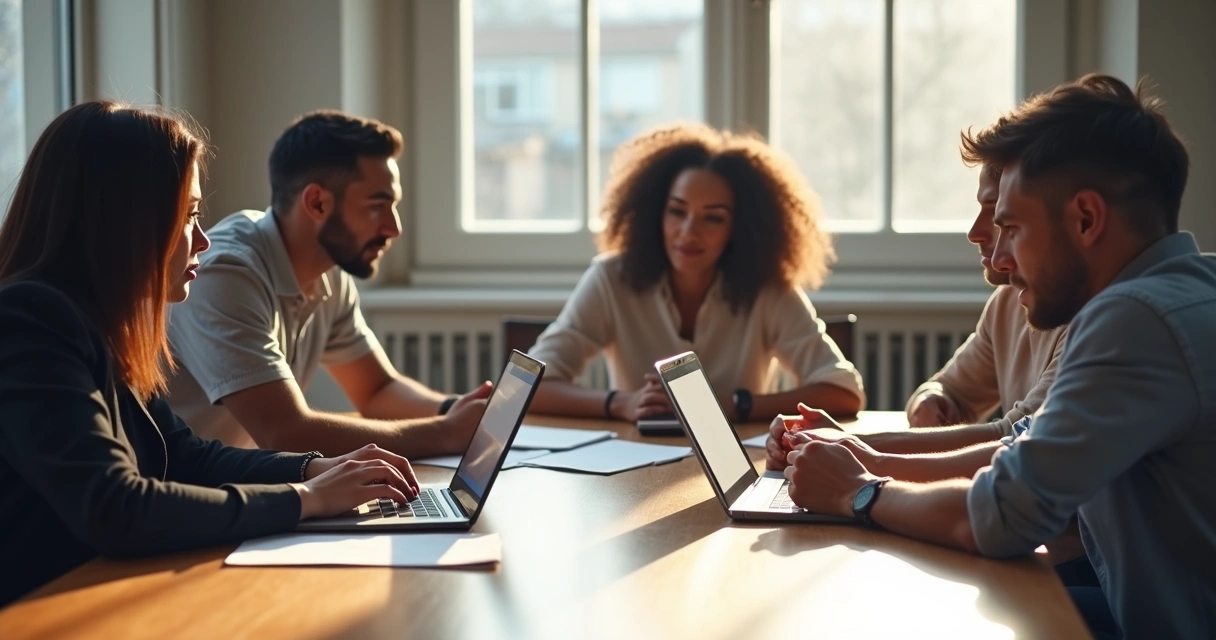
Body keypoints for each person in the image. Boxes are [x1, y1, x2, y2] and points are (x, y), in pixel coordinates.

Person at [780, 75, 1215, 639]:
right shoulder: (1184, 288)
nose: (1001, 258)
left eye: (1011, 226)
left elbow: (1004, 516)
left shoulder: (1134, 319)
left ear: (1086, 219)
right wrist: (862, 458)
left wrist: (855, 493)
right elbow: (1017, 446)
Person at [0, 102, 422, 606]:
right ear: (122, 222)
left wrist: (319, 469)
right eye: (189, 216)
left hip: (89, 588)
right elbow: (114, 507)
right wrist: (306, 500)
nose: (201, 239)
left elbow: (183, 455)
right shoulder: (31, 319)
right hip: (37, 608)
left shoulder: (97, 321)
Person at [165, 111, 489, 458]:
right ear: (317, 202)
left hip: (247, 486)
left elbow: (378, 390)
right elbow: (285, 433)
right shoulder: (224, 273)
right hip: (183, 495)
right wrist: (445, 433)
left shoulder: (328, 273)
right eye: (378, 206)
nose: (393, 228)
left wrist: (456, 411)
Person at [526, 123, 864, 423]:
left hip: (739, 468)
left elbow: (844, 392)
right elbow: (529, 389)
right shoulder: (611, 278)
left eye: (713, 217)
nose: (689, 231)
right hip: (633, 468)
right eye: (677, 211)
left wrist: (734, 406)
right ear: (655, 213)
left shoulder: (768, 289)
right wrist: (621, 404)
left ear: (739, 227)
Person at [905, 165, 1069, 434]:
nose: (974, 233)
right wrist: (931, 400)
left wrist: (867, 452)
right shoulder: (1008, 300)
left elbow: (1017, 437)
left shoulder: (1089, 312)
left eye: (997, 214)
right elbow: (952, 390)